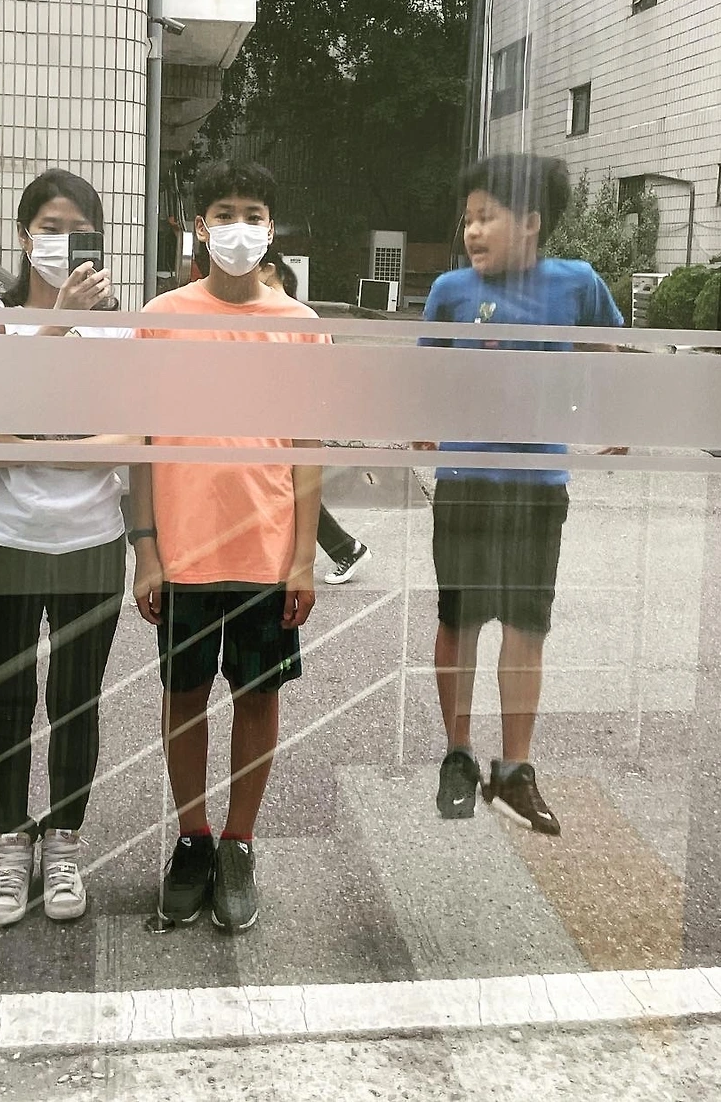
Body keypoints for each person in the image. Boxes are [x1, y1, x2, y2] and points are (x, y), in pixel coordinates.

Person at [130, 160, 324, 933]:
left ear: (271, 229)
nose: (238, 227)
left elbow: (308, 450)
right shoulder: (161, 317)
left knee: (257, 698)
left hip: (265, 554)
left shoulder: (300, 325)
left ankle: (239, 842)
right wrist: (146, 549)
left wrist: (303, 556)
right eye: (223, 212)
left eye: (253, 213)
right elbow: (142, 444)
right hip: (183, 555)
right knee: (183, 698)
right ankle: (193, 838)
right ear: (198, 226)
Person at [419, 153, 622, 835]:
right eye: (467, 219)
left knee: (526, 627)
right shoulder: (450, 290)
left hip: (538, 487)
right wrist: (420, 422)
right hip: (466, 484)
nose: (472, 231)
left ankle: (514, 772)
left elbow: (609, 357)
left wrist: (610, 419)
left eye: (487, 217)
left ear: (531, 222)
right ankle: (457, 756)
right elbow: (424, 372)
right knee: (459, 622)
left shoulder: (578, 283)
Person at [0, 168, 131, 927]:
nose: (63, 243)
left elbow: (129, 442)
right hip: (3, 539)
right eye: (50, 229)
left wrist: (25, 443)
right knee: (6, 701)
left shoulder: (118, 332)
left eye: (79, 232)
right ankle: (10, 847)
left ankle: (63, 845)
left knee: (75, 702)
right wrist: (57, 325)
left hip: (93, 539)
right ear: (23, 234)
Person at [258, 251, 372, 585]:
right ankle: (346, 548)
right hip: (282, 419)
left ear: (270, 270)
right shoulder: (289, 313)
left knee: (292, 490)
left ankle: (346, 549)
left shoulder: (290, 315)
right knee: (293, 490)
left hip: (286, 420)